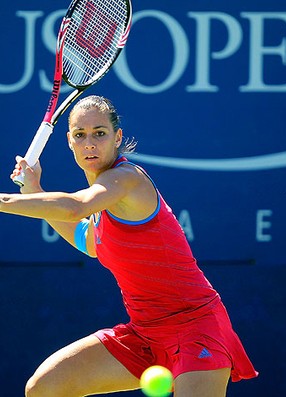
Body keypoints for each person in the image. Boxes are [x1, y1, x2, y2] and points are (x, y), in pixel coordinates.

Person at [1, 95, 258, 397]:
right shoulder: (103, 199)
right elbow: (88, 240)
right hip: (144, 334)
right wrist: (36, 190)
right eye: (80, 136)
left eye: (100, 133)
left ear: (117, 137)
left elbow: (75, 207)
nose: (90, 144)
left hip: (196, 328)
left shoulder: (127, 179)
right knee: (44, 388)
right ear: (70, 141)